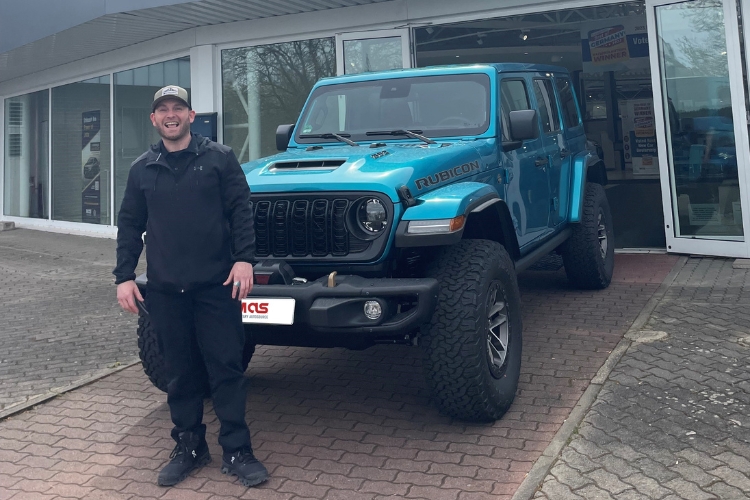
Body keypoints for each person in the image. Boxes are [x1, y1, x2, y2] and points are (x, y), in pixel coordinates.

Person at [113, 85, 268, 488]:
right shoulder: (142, 169)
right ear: (154, 119)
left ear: (190, 115)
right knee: (180, 374)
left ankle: (237, 450)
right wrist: (124, 277)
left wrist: (244, 260)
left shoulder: (219, 158)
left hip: (217, 287)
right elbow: (129, 225)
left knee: (226, 369)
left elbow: (241, 211)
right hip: (165, 290)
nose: (170, 114)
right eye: (162, 109)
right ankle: (189, 447)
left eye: (177, 108)